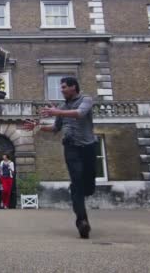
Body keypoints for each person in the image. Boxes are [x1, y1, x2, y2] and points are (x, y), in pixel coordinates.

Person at [23, 77, 97, 239]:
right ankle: (82, 221)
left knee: (89, 187)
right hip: (71, 148)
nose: (61, 90)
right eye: (61, 87)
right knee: (76, 184)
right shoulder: (63, 107)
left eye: (64, 87)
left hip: (88, 147)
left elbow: (79, 113)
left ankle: (86, 191)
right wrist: (38, 126)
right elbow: (56, 127)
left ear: (73, 87)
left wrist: (57, 112)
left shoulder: (86, 100)